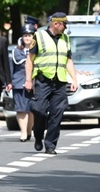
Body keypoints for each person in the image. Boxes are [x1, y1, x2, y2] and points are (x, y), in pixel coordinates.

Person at [24, 12, 78, 155]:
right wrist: (28, 80)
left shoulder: (66, 38)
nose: (66, 27)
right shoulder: (39, 36)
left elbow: (68, 61)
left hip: (59, 82)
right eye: (64, 24)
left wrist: (74, 79)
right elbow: (29, 60)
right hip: (43, 81)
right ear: (56, 24)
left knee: (57, 114)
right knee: (39, 111)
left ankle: (50, 146)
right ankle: (38, 135)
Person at [9, 23, 36, 142]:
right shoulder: (16, 51)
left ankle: (29, 131)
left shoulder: (38, 51)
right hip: (19, 82)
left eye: (30, 35)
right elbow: (11, 67)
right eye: (25, 35)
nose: (27, 38)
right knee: (21, 109)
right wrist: (9, 82)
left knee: (32, 109)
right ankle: (23, 133)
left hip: (35, 83)